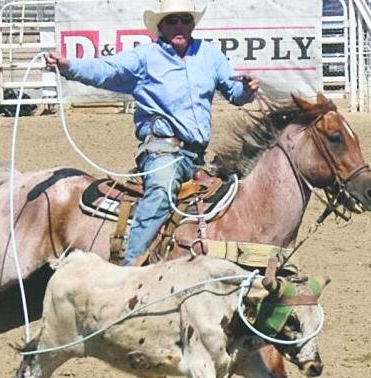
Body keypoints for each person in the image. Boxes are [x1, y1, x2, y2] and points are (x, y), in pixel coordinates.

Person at [44, 0, 260, 266]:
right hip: (162, 150)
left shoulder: (210, 56)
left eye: (185, 20)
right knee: (160, 191)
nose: (180, 25)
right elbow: (106, 70)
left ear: (193, 24)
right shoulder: (145, 57)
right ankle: (131, 266)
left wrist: (247, 89)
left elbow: (234, 93)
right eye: (172, 20)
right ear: (161, 27)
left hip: (196, 157)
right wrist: (69, 66)